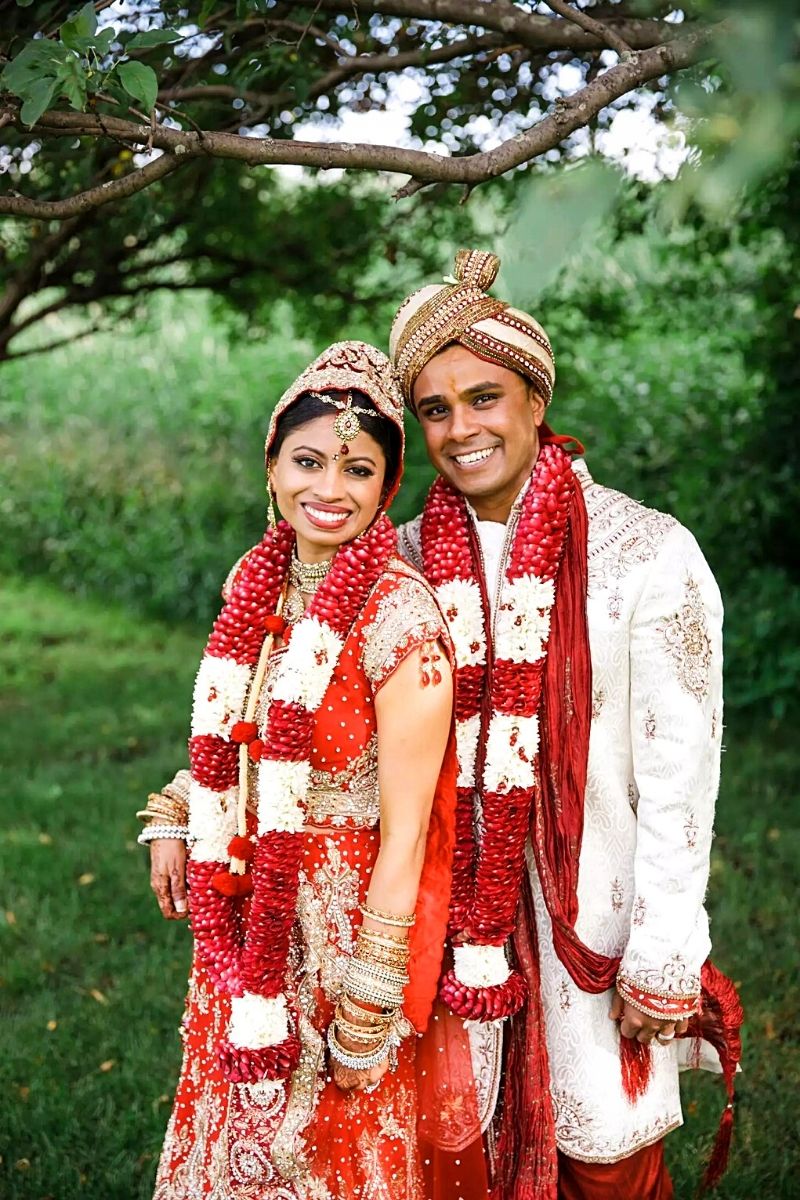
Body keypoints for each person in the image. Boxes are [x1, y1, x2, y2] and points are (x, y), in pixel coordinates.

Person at [390, 250, 742, 1200]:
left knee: (606, 1166)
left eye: (484, 397)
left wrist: (666, 951)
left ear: (536, 400)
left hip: (598, 920)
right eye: (434, 409)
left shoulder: (645, 553)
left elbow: (682, 778)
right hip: (446, 929)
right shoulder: (404, 559)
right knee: (452, 1162)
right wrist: (183, 804)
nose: (461, 428)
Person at [137, 341, 487, 1199]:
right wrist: (178, 814)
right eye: (308, 461)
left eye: (357, 469)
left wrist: (369, 1008)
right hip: (249, 905)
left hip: (338, 934)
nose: (328, 490)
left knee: (325, 1159)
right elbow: (236, 738)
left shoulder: (400, 618)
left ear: (385, 486)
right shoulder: (254, 583)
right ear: (272, 464)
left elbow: (407, 836)